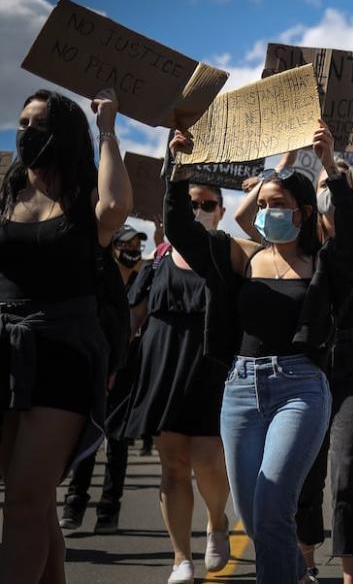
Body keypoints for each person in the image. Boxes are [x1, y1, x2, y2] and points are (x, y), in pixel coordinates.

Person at [164, 121, 353, 584]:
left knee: (275, 503)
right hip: (239, 391)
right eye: (263, 203)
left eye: (279, 205)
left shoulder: (325, 264)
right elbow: (181, 229)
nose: (268, 211)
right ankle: (295, 572)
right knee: (256, 518)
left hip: (300, 389)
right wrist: (176, 168)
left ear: (302, 214)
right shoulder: (240, 257)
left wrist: (331, 165)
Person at [236, 154, 353, 584]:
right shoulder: (301, 248)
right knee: (305, 472)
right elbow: (244, 225)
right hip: (308, 364)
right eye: (324, 184)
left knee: (350, 470)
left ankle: (351, 575)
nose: (329, 192)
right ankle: (305, 563)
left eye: (339, 185)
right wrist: (274, 180)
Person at [0, 88, 132, 583]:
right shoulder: (7, 193)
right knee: (28, 501)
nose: (27, 131)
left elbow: (117, 206)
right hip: (7, 352)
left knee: (26, 498)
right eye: (22, 122)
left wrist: (109, 129)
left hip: (62, 355)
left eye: (38, 124)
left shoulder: (84, 202)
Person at [124, 187, 232, 583]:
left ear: (221, 212)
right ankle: (180, 557)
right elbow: (135, 315)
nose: (198, 210)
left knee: (206, 456)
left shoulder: (227, 255)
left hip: (209, 367)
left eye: (207, 205)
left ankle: (217, 521)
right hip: (163, 365)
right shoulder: (160, 258)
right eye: (191, 204)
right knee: (172, 465)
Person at [62, 222, 149, 533]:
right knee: (89, 435)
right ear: (113, 248)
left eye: (136, 247)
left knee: (118, 441)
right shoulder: (97, 281)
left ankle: (109, 509)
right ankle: (75, 502)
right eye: (126, 246)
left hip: (128, 372)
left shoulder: (143, 280)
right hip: (96, 367)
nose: (132, 251)